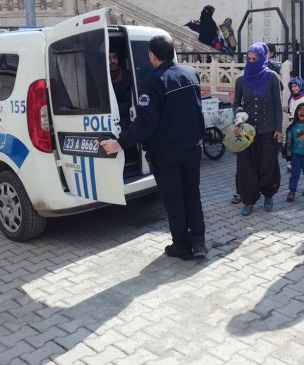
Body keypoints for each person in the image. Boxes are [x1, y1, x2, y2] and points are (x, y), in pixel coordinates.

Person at [101, 35, 207, 261]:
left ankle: (181, 245)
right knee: (192, 193)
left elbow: (145, 123)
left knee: (174, 199)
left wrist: (119, 143)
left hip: (167, 153)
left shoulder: (153, 81)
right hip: (193, 148)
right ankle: (199, 242)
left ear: (152, 55)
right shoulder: (191, 73)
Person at [232, 42, 283, 216]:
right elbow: (236, 103)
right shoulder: (241, 79)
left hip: (268, 130)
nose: (252, 61)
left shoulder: (272, 77)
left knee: (267, 164)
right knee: (246, 166)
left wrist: (278, 128)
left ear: (263, 58)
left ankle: (268, 194)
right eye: (249, 58)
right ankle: (248, 200)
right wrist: (237, 114)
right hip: (246, 131)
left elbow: (277, 105)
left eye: (255, 59)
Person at [284, 76, 304, 172]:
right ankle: (291, 162)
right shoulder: (292, 97)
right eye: (292, 87)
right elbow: (289, 109)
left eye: (295, 86)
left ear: (300, 86)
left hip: (303, 125)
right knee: (291, 143)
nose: (293, 88)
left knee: (302, 143)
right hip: (292, 124)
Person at [109, 51, 133, 130]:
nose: (112, 61)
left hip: (125, 119)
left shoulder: (128, 77)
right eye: (109, 58)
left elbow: (131, 103)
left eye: (115, 57)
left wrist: (113, 109)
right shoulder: (102, 77)